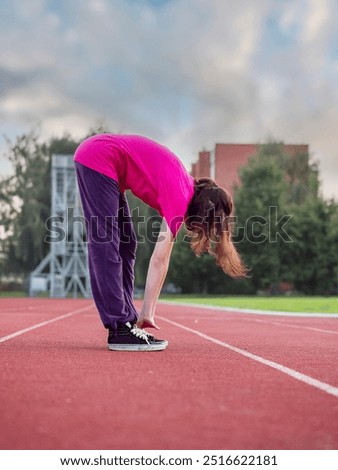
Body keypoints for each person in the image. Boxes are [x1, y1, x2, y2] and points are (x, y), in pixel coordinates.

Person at [74, 134, 247, 352]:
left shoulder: (185, 186)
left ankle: (126, 322)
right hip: (98, 157)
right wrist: (148, 312)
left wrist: (147, 312)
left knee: (126, 244)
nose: (195, 230)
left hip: (106, 161)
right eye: (205, 226)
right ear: (203, 213)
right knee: (106, 242)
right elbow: (160, 260)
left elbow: (162, 261)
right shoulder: (180, 197)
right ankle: (118, 328)